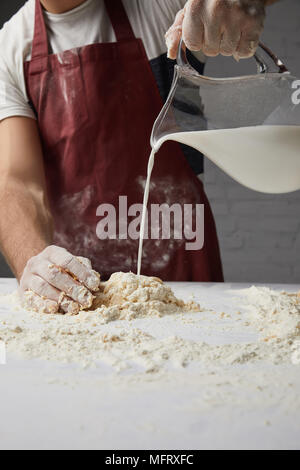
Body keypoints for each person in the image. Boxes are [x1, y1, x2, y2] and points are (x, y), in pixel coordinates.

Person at [0, 0, 277, 314]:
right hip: (77, 289)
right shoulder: (9, 48)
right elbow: (16, 182)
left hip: (185, 272)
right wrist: (34, 262)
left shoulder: (159, 6)